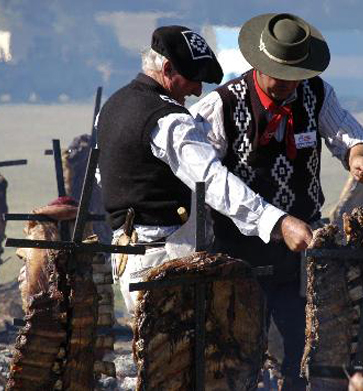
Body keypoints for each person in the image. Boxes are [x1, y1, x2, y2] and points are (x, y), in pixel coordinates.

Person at [189, 13, 363, 389]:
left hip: (299, 253)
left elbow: (346, 131)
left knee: (302, 345)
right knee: (237, 349)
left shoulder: (316, 92)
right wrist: (269, 222)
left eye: (296, 77)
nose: (288, 86)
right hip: (238, 252)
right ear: (259, 65)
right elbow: (205, 176)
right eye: (280, 76)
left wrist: (358, 156)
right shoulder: (222, 105)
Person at [96, 26, 314, 321]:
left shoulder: (112, 107)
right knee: (184, 360)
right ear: (168, 68)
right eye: (193, 78)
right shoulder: (170, 122)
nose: (198, 90)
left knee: (157, 360)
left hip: (128, 257)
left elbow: (105, 178)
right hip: (166, 260)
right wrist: (276, 221)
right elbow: (213, 181)